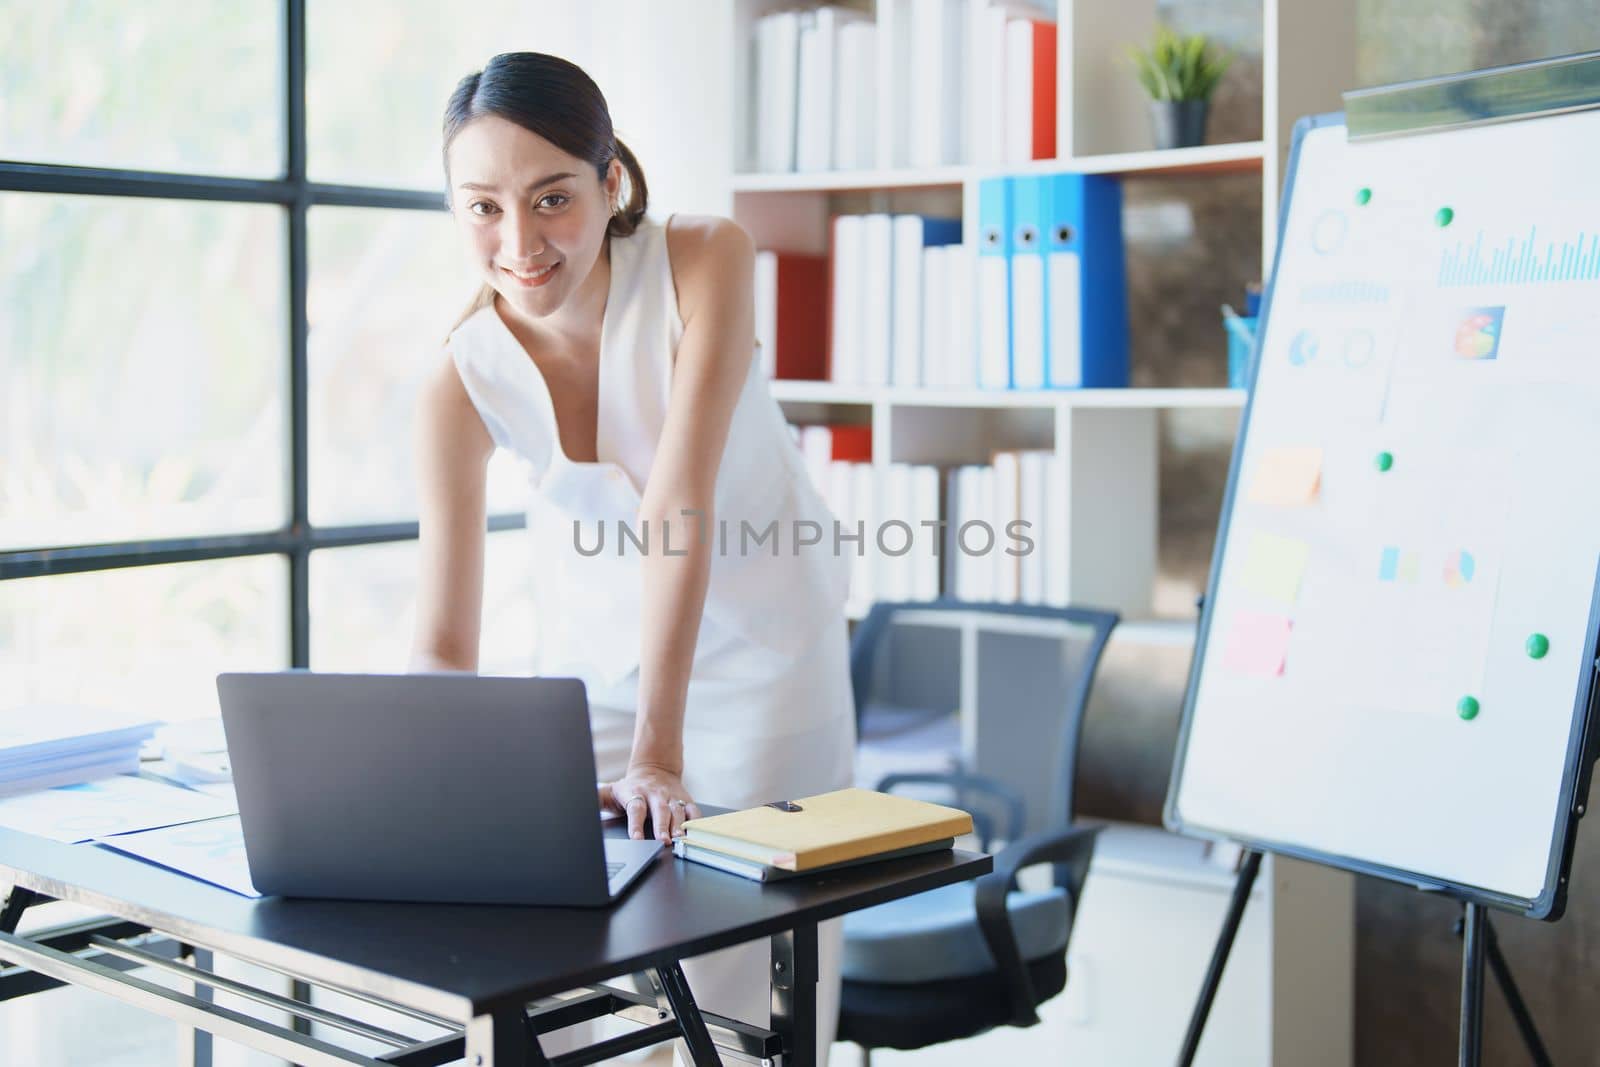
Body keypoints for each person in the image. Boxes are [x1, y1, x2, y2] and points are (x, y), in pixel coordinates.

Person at [409, 52, 856, 1059]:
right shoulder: (460, 379)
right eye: (482, 207)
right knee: (587, 982)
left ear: (611, 182)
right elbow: (441, 636)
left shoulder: (704, 257)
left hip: (762, 655)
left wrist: (663, 749)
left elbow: (678, 505)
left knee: (741, 981)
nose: (518, 242)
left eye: (551, 197)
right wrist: (426, 785)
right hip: (595, 663)